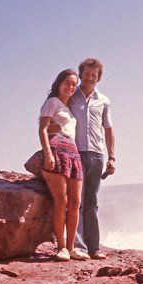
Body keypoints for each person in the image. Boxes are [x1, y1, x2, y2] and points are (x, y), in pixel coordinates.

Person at [38, 69, 90, 261]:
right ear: (59, 83)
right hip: (57, 150)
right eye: (67, 83)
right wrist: (48, 154)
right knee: (62, 201)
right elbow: (42, 129)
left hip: (73, 153)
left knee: (76, 203)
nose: (70, 87)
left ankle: (71, 247)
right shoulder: (51, 103)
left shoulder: (69, 109)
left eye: (73, 84)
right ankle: (61, 248)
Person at [69, 58, 116, 260]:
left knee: (92, 202)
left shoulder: (103, 100)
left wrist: (112, 157)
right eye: (86, 74)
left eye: (94, 76)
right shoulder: (70, 96)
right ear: (81, 75)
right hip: (75, 152)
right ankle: (77, 246)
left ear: (99, 78)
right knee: (76, 201)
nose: (89, 78)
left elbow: (109, 130)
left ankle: (93, 248)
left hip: (96, 155)